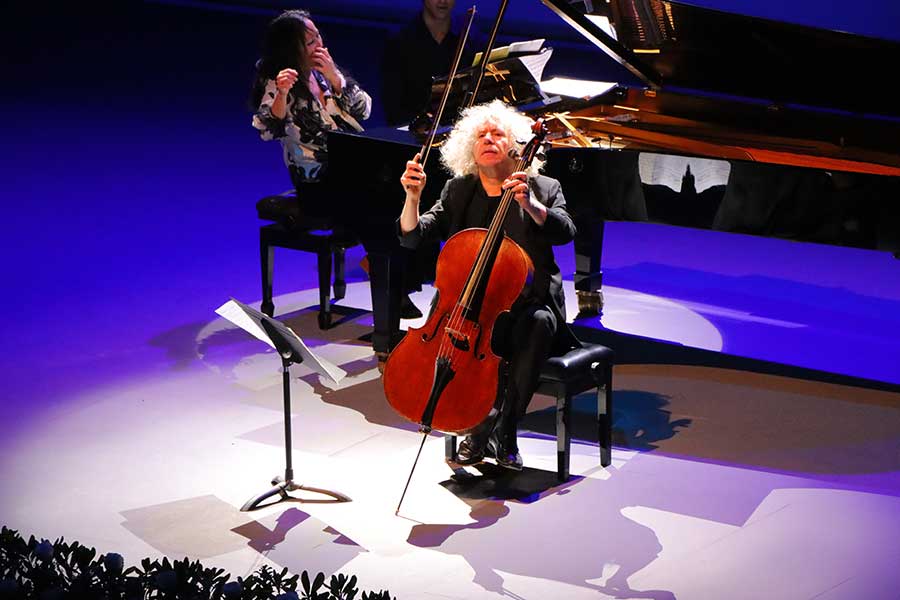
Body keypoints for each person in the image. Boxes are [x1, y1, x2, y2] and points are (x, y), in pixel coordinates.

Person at [398, 99, 578, 470]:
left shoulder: (543, 187)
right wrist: (412, 199)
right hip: (468, 310)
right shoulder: (458, 190)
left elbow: (566, 231)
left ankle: (503, 428)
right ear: (469, 147)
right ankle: (477, 423)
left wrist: (531, 206)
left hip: (528, 303)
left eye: (498, 133)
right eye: (481, 134)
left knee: (539, 324)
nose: (489, 139)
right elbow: (413, 237)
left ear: (516, 146)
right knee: (485, 339)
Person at [250, 9, 372, 215]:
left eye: (318, 36)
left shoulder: (323, 71)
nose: (319, 45)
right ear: (291, 51)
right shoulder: (278, 81)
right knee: (380, 190)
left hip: (350, 163)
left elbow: (365, 110)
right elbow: (267, 131)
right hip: (315, 176)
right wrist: (281, 94)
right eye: (310, 43)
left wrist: (336, 78)